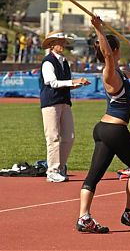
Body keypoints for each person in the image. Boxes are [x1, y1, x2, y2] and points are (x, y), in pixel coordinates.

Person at [76, 16, 130, 233]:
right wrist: (98, 29)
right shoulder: (109, 72)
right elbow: (107, 55)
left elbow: (123, 72)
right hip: (115, 130)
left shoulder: (117, 73)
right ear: (114, 49)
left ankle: (84, 218)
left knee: (94, 176)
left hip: (104, 129)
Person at [40, 30, 91, 183]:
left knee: (69, 137)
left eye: (63, 41)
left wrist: (78, 84)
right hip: (51, 103)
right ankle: (52, 171)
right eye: (59, 42)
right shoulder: (48, 62)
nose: (62, 44)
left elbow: (64, 85)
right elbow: (52, 83)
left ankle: (60, 167)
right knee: (53, 137)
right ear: (51, 45)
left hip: (64, 102)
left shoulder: (64, 62)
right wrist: (73, 82)